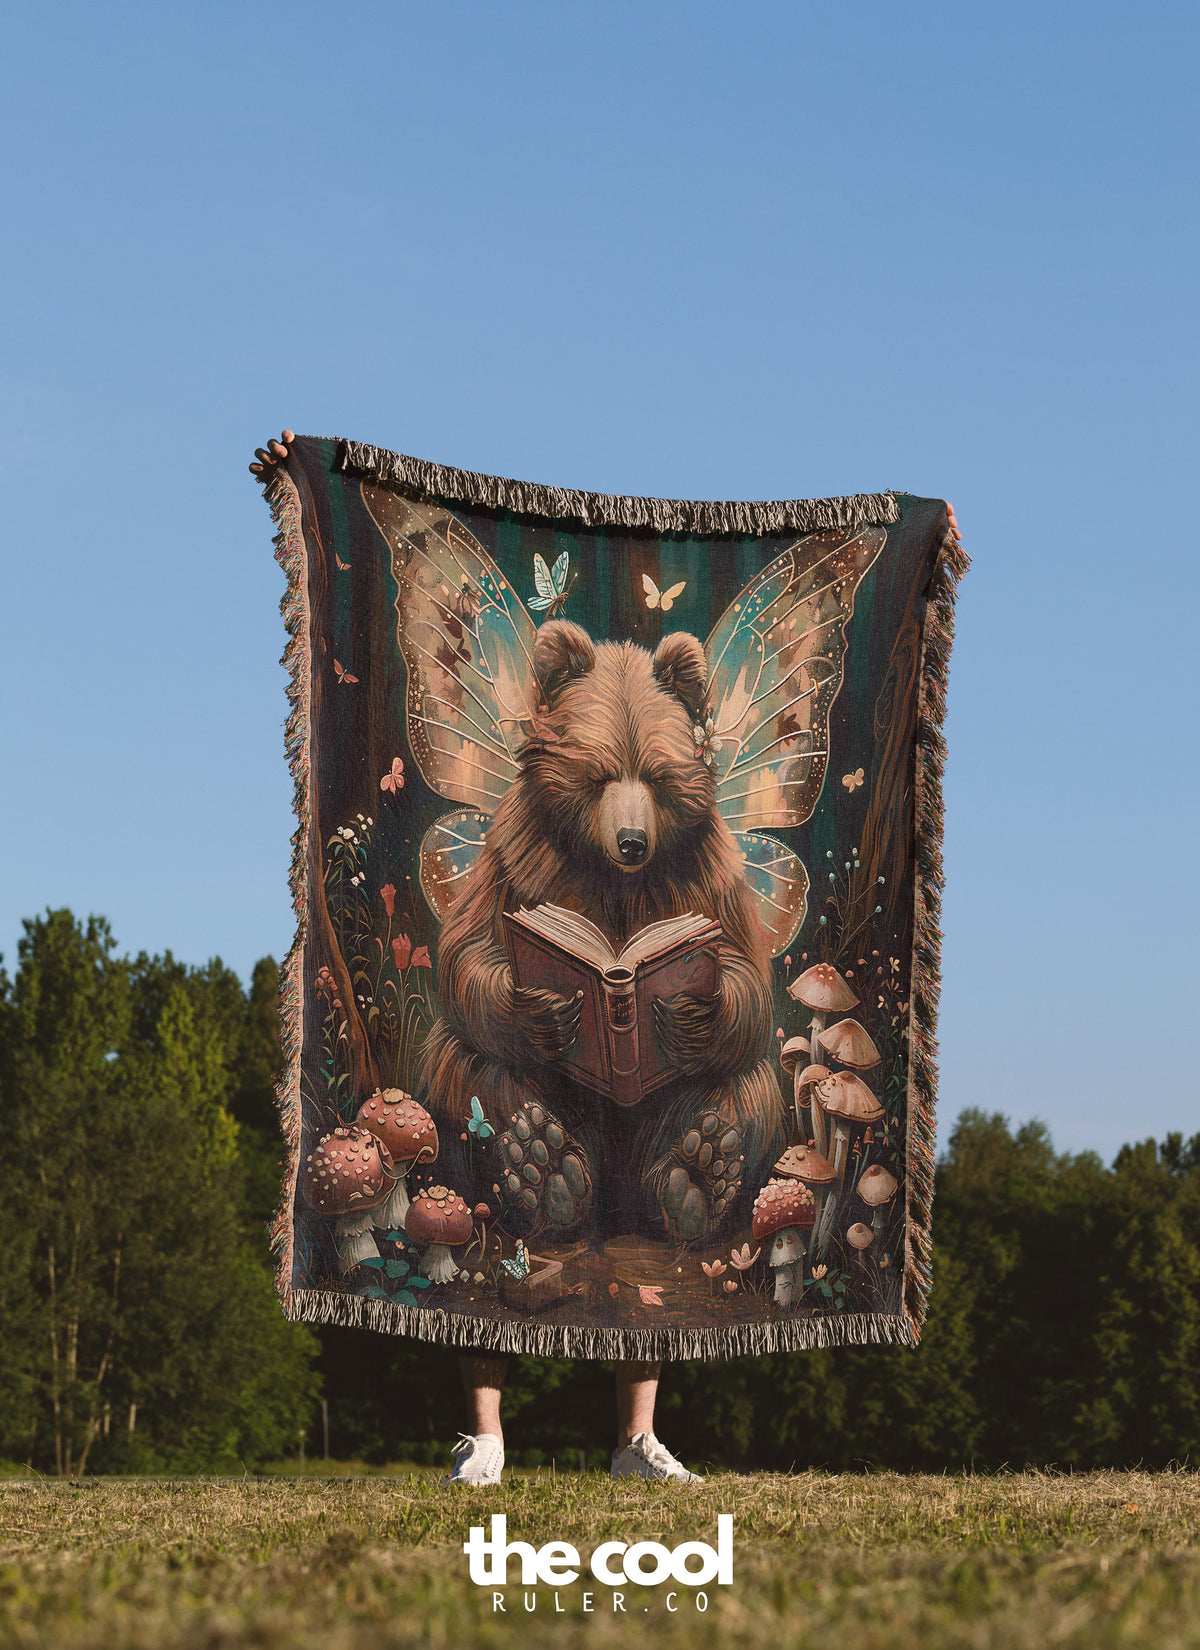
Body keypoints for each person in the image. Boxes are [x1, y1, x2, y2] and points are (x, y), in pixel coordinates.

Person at [251, 431, 963, 1486]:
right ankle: (486, 1433)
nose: (631, 823)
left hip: (665, 1091)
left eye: (655, 788)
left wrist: (719, 1014)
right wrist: (505, 1009)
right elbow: (466, 967)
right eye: (599, 785)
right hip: (529, 1078)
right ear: (550, 758)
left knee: (742, 1096)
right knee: (467, 1094)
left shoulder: (706, 857)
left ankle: (636, 1433)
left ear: (690, 773)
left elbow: (749, 992)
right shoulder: (516, 841)